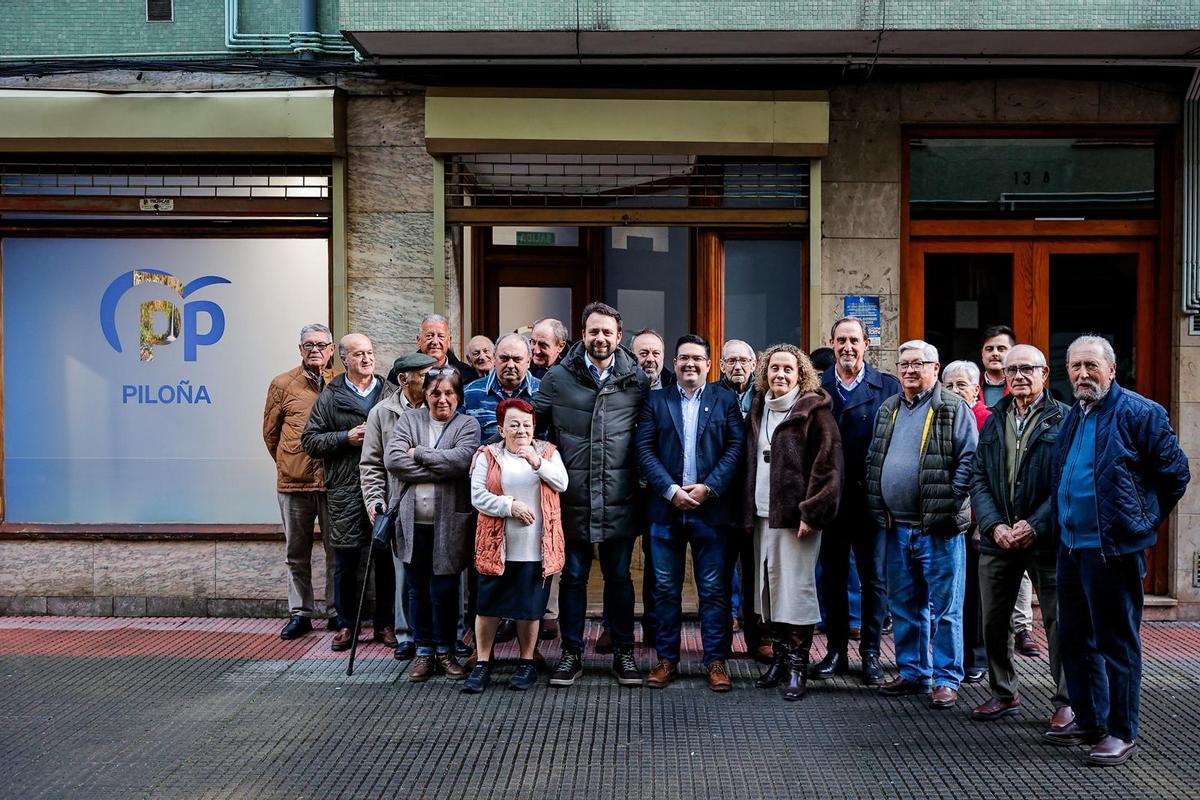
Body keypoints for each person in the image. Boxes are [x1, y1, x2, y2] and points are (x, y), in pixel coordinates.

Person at [1045, 335, 1188, 766]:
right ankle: (1089, 719)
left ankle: (1121, 731)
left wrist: (1140, 523)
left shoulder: (1141, 413)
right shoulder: (1074, 415)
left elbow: (1175, 475)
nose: (1083, 374)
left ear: (1111, 369)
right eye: (1075, 367)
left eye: (1091, 365)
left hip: (1113, 551)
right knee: (1074, 638)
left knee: (1117, 643)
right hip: (1071, 547)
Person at [533, 301, 650, 688]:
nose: (600, 338)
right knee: (574, 578)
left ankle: (623, 654)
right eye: (593, 331)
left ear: (619, 337)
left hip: (620, 497)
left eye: (607, 332)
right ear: (582, 335)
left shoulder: (637, 379)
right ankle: (571, 652)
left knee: (619, 578)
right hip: (573, 498)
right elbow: (536, 428)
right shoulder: (557, 378)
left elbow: (648, 436)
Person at [866, 340, 977, 710]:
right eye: (904, 364)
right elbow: (875, 458)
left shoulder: (952, 407)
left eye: (918, 364)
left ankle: (946, 678)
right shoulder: (889, 409)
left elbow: (969, 460)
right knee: (904, 604)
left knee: (946, 607)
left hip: (938, 528)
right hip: (897, 526)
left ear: (935, 367)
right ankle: (914, 671)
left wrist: (949, 502)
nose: (910, 370)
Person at [967, 344, 1073, 731]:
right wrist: (994, 524)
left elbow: (1066, 480)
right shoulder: (995, 419)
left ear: (1045, 374)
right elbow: (979, 476)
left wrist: (1035, 524)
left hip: (1044, 539)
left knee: (1059, 621)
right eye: (1012, 371)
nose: (1019, 376)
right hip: (999, 537)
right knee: (993, 619)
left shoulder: (1064, 419)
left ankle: (1066, 700)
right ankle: (1004, 692)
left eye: (1028, 369)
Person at [636, 334, 745, 692]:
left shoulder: (725, 399)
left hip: (711, 510)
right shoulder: (656, 400)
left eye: (697, 358)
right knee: (665, 589)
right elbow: (645, 450)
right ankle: (667, 659)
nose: (690, 364)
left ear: (709, 364)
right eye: (683, 358)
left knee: (713, 590)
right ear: (675, 363)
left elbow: (734, 448)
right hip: (665, 510)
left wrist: (708, 487)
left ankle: (715, 661)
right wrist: (670, 490)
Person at [742, 343, 843, 701]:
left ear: (801, 374)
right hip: (762, 515)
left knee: (796, 593)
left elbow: (828, 467)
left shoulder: (815, 411)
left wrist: (812, 513)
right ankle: (781, 661)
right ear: (764, 373)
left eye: (788, 369)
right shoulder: (758, 408)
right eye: (774, 369)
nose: (780, 375)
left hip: (796, 519)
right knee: (769, 591)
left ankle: (799, 668)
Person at [813, 317, 901, 686]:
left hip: (872, 497)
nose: (847, 347)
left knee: (874, 580)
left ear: (867, 344)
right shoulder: (817, 386)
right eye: (840, 340)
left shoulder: (888, 386)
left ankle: (869, 654)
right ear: (831, 344)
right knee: (831, 578)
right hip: (831, 497)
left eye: (854, 340)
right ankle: (835, 651)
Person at [463, 398, 569, 693]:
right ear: (501, 428)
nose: (521, 430)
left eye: (526, 424)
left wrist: (536, 462)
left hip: (536, 546)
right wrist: (509, 506)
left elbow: (562, 483)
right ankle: (483, 662)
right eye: (514, 424)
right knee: (487, 606)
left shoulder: (547, 453)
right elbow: (478, 496)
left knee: (529, 607)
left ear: (534, 428)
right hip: (496, 545)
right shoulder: (487, 455)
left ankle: (526, 662)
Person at [384, 368, 482, 682]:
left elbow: (463, 461)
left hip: (450, 524)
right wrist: (440, 465)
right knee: (417, 591)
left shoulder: (468, 424)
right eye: (435, 393)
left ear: (458, 396)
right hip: (413, 522)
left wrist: (421, 454)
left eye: (448, 393)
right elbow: (394, 461)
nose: (442, 399)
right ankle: (424, 652)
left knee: (445, 589)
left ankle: (445, 650)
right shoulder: (409, 420)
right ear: (425, 395)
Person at [301, 334, 396, 652]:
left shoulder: (389, 393)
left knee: (384, 558)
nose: (367, 359)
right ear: (344, 359)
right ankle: (345, 625)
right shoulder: (330, 396)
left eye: (370, 352)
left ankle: (385, 624)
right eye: (358, 354)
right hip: (345, 489)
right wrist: (345, 437)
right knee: (345, 559)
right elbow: (310, 441)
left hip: (382, 486)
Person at [360, 352, 438, 661]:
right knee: (405, 575)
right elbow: (371, 463)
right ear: (405, 379)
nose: (431, 379)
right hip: (399, 504)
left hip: (438, 503)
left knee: (445, 575)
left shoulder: (441, 404)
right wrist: (375, 501)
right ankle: (407, 636)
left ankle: (448, 634)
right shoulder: (382, 413)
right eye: (424, 374)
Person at [263, 323, 338, 640]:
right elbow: (270, 434)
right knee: (297, 552)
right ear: (300, 349)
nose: (315, 350)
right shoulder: (282, 384)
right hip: (294, 484)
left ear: (332, 350)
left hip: (335, 483)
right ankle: (301, 612)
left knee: (339, 550)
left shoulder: (342, 384)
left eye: (321, 344)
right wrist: (289, 462)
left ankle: (337, 612)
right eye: (308, 345)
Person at [940, 360, 990, 685]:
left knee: (976, 593)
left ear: (976, 389)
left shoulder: (986, 419)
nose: (956, 391)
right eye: (950, 385)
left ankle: (977, 657)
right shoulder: (940, 416)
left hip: (975, 523)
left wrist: (981, 522)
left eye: (962, 385)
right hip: (944, 520)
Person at [717, 338, 765, 660]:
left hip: (756, 498)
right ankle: (719, 641)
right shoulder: (712, 396)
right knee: (718, 575)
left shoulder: (764, 397)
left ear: (753, 364)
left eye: (743, 361)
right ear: (721, 365)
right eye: (731, 360)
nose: (738, 366)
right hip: (720, 498)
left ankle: (759, 637)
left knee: (755, 574)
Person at [463, 333, 540, 440]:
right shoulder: (469, 393)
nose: (510, 365)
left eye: (517, 359)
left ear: (528, 361)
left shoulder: (543, 392)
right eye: (504, 358)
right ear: (494, 358)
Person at [416, 313, 477, 386]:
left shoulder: (467, 375)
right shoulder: (407, 374)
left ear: (449, 341)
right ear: (419, 340)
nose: (435, 341)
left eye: (441, 336)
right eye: (429, 336)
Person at [979, 325, 1015, 408]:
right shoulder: (970, 385)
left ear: (1013, 352)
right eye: (989, 349)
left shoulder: (1021, 385)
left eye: (1001, 349)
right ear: (982, 353)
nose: (995, 353)